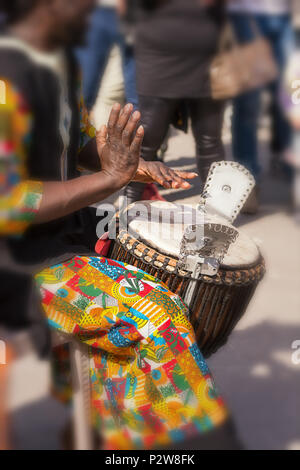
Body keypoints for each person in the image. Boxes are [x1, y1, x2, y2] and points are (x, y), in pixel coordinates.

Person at [0, 0, 240, 451]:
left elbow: (78, 141)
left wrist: (130, 166)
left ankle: (99, 429)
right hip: (17, 264)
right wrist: (105, 181)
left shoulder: (58, 60)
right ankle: (173, 444)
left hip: (61, 234)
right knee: (159, 316)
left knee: (172, 264)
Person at [125, 0, 226, 204]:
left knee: (210, 142)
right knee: (146, 141)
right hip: (159, 53)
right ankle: (127, 211)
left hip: (207, 53)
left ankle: (217, 216)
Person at [227, 0, 293, 212]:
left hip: (283, 15)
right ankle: (247, 181)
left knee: (289, 95)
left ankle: (288, 163)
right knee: (249, 102)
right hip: (245, 14)